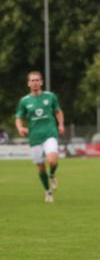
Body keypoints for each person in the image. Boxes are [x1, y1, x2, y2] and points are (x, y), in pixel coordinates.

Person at [14, 71, 64, 203]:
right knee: (41, 167)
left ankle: (52, 174)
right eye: (32, 80)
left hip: (49, 133)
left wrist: (61, 124)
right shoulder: (24, 101)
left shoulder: (50, 96)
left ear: (41, 82)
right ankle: (47, 191)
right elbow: (18, 117)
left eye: (37, 80)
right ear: (28, 83)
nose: (35, 82)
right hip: (34, 137)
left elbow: (58, 111)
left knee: (52, 161)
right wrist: (20, 128)